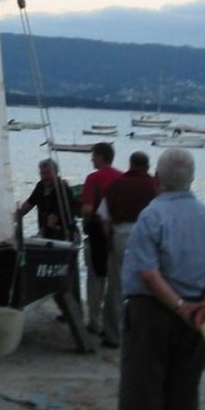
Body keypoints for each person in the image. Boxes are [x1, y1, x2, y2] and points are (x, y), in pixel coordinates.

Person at [101, 148, 205, 410]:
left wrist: (177, 305)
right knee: (184, 391)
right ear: (191, 180)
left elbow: (147, 272)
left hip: (153, 312)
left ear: (157, 180)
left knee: (142, 391)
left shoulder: (153, 216)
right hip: (196, 314)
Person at [99, 151, 157, 348]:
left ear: (130, 164)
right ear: (147, 166)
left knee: (116, 286)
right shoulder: (155, 187)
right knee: (149, 288)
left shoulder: (117, 185)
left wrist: (109, 239)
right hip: (148, 239)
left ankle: (113, 335)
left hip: (121, 236)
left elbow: (104, 217)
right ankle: (143, 336)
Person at [79, 142, 122, 334]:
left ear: (102, 156)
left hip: (96, 233)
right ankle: (111, 325)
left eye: (94, 156)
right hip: (117, 234)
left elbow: (88, 209)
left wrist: (83, 219)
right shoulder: (122, 178)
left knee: (95, 279)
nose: (91, 159)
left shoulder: (93, 178)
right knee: (114, 281)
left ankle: (94, 321)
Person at [19, 159, 75, 241]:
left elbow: (53, 219)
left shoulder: (62, 189)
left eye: (48, 173)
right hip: (45, 235)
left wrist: (40, 235)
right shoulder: (40, 186)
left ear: (56, 173)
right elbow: (28, 205)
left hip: (62, 236)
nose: (45, 177)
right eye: (42, 173)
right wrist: (12, 219)